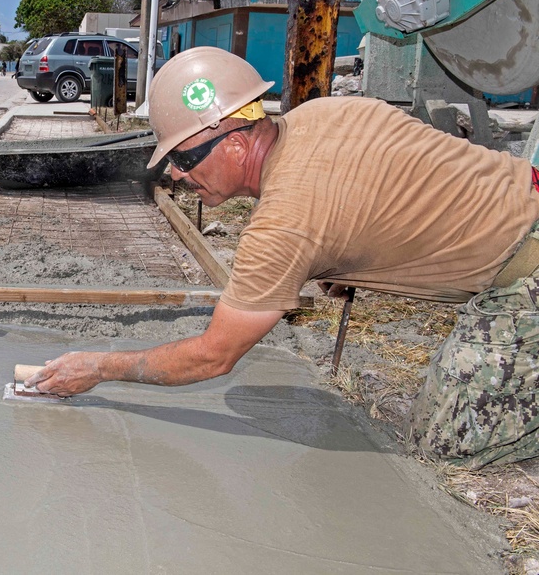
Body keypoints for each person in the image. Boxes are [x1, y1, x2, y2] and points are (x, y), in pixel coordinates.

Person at [27, 46, 539, 471]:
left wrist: (100, 367)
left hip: (527, 273)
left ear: (232, 139)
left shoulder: (282, 226)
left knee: (449, 447)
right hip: (525, 201)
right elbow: (400, 181)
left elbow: (214, 355)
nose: (177, 176)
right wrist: (348, 258)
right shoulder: (320, 114)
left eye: (182, 159)